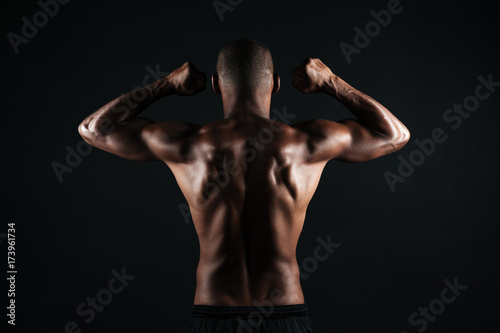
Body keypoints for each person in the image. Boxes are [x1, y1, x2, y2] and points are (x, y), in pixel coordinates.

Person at [78, 39, 410, 332]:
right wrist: (331, 82)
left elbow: (94, 130)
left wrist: (166, 85)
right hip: (285, 312)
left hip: (213, 312)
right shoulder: (306, 144)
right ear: (276, 84)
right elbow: (395, 135)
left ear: (215, 84)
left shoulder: (189, 145)